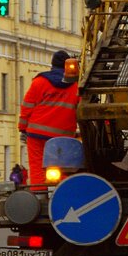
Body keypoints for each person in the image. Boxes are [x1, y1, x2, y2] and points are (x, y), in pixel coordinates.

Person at [18, 50, 80, 187]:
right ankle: (62, 195)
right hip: (63, 137)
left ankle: (40, 197)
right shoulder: (76, 86)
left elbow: (26, 107)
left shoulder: (39, 82)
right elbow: (80, 110)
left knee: (37, 168)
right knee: (63, 168)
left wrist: (22, 129)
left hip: (36, 134)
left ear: (52, 65)